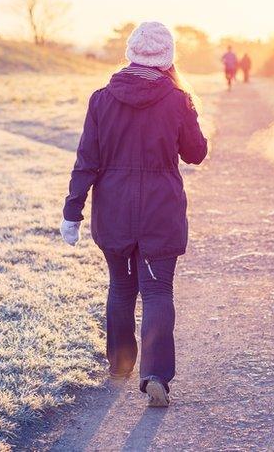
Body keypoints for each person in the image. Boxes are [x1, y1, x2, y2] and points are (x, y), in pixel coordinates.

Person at [60, 21, 208, 408]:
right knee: (158, 290)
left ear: (131, 53)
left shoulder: (101, 99)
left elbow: (86, 161)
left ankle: (120, 363)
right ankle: (155, 374)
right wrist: (191, 113)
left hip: (114, 210)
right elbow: (196, 152)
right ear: (167, 58)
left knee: (121, 287)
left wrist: (72, 211)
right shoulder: (178, 99)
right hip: (160, 210)